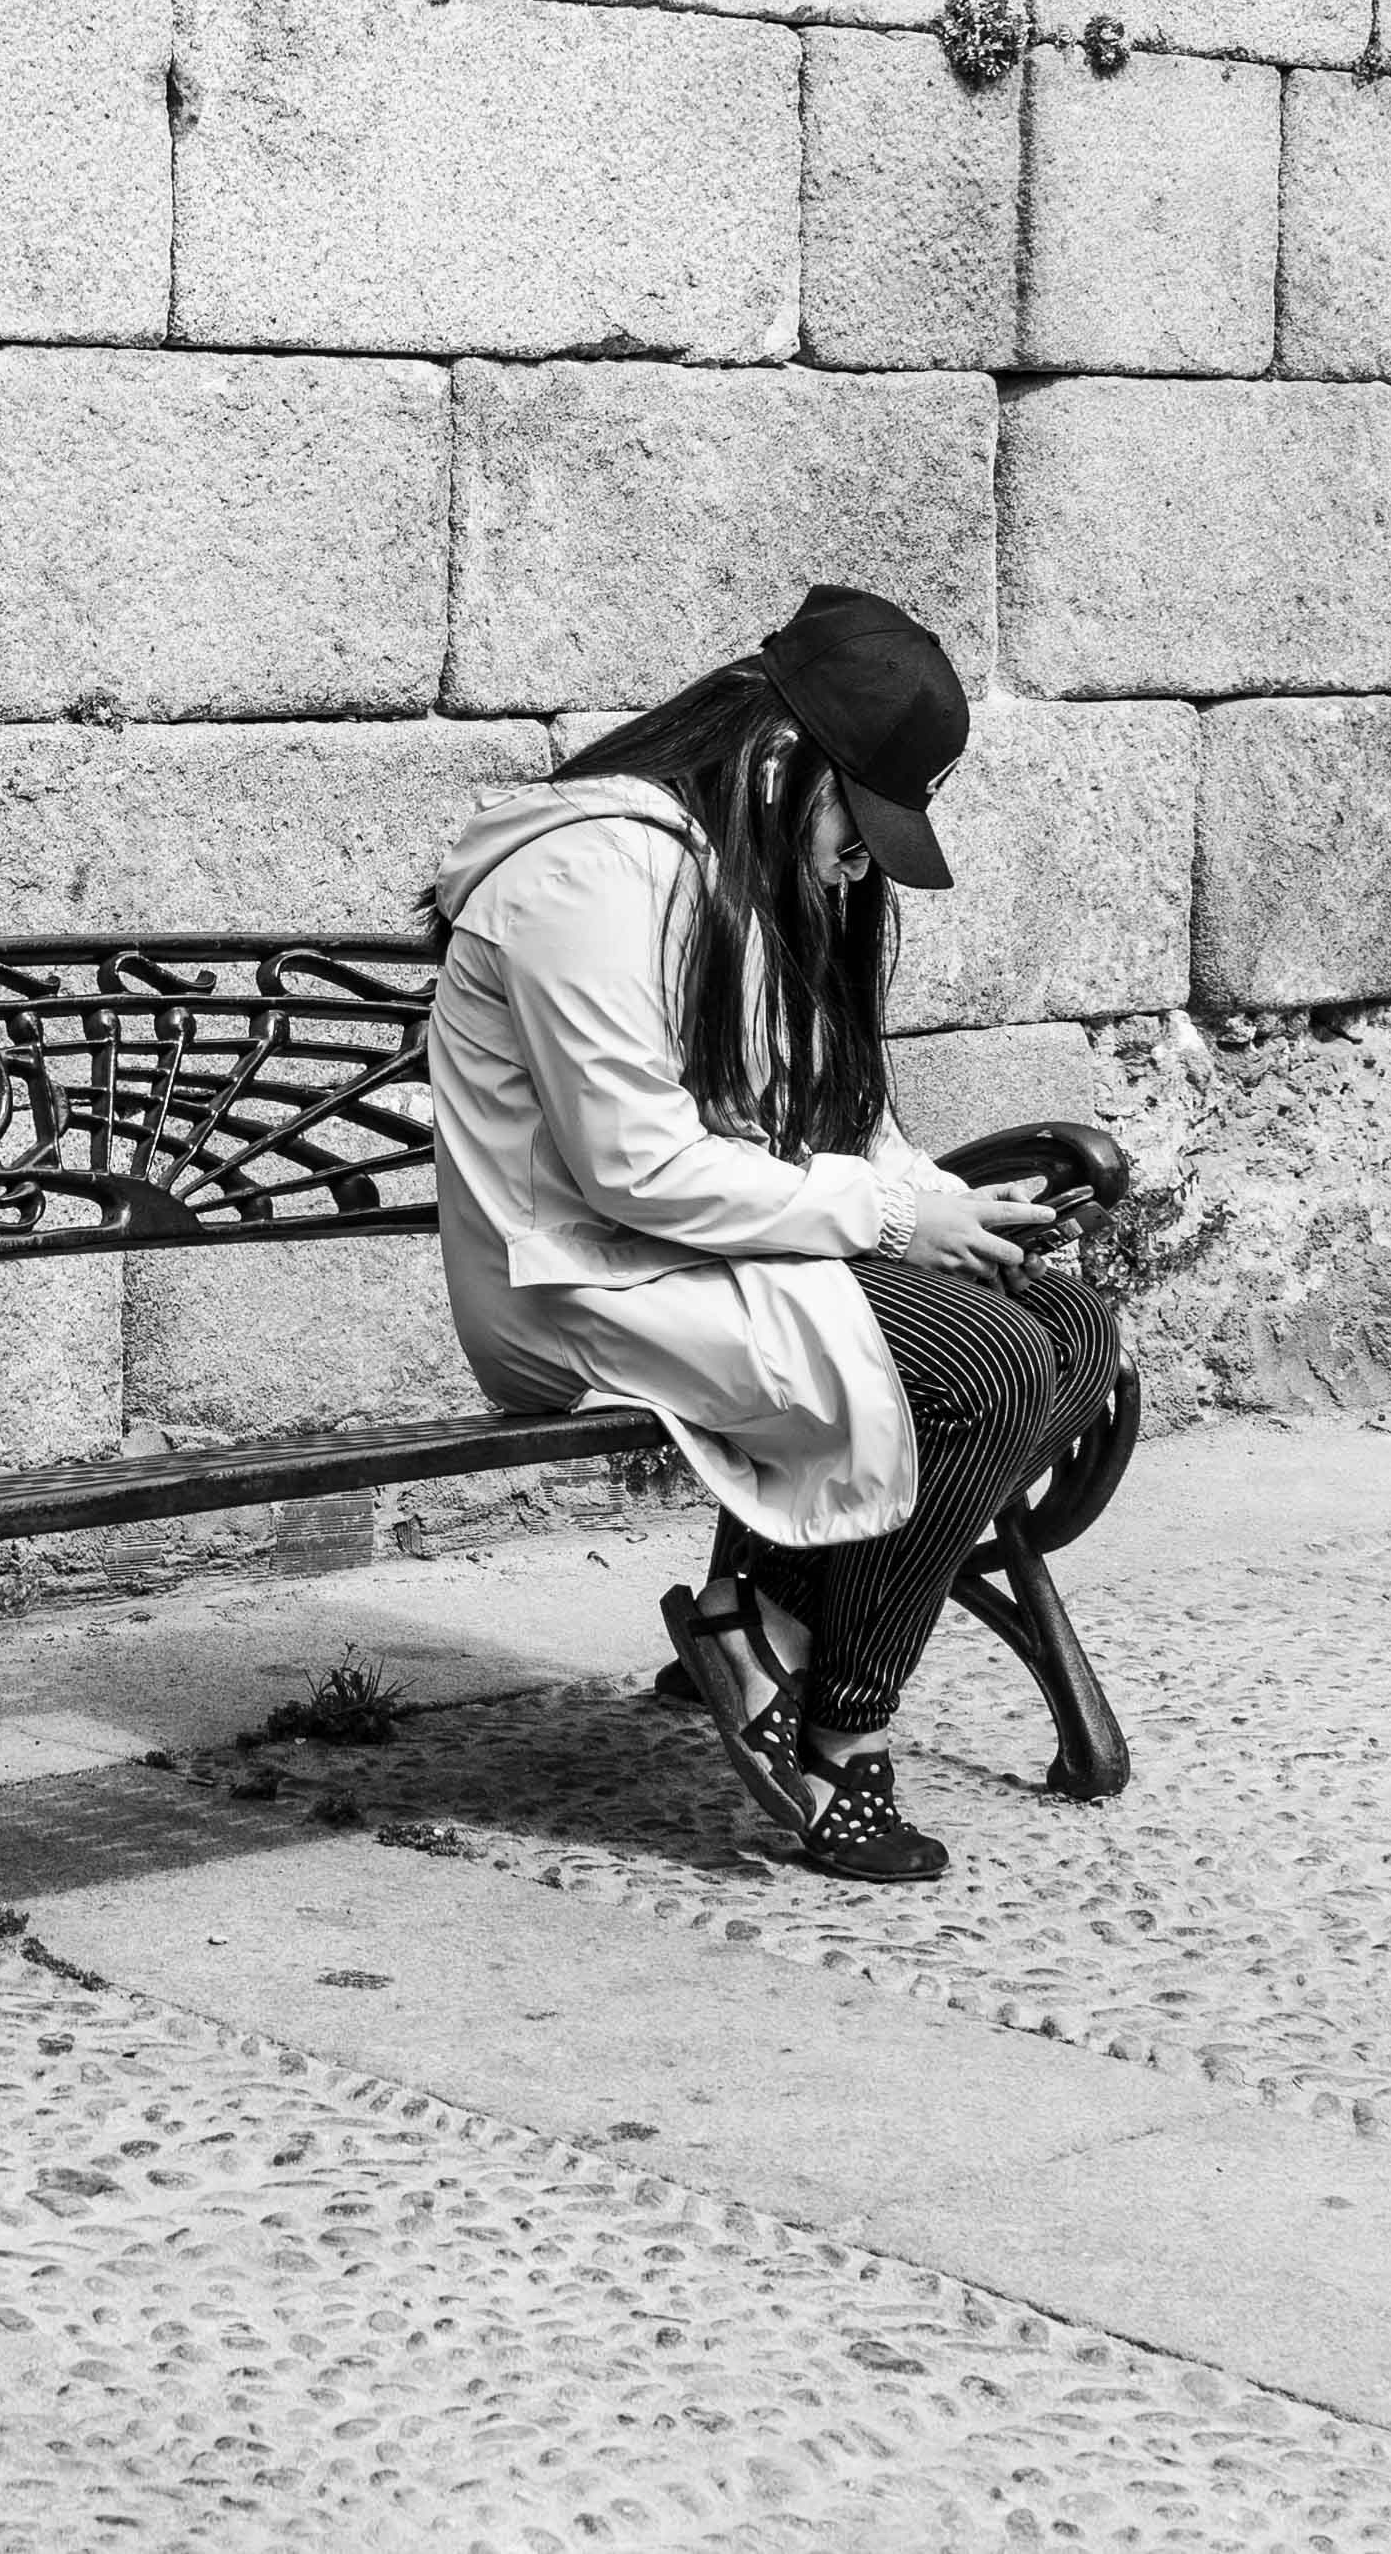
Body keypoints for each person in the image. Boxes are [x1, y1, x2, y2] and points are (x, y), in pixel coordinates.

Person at [422, 587, 1123, 1883]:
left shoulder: (746, 873)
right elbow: (633, 1171)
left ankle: (768, 1623)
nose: (859, 866)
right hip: (577, 1268)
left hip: (705, 1245)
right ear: (788, 759)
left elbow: (836, 1122)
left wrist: (938, 1205)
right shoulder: (596, 868)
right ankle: (839, 1729)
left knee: (1070, 1328)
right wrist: (894, 1212)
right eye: (861, 830)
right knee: (987, 1368)